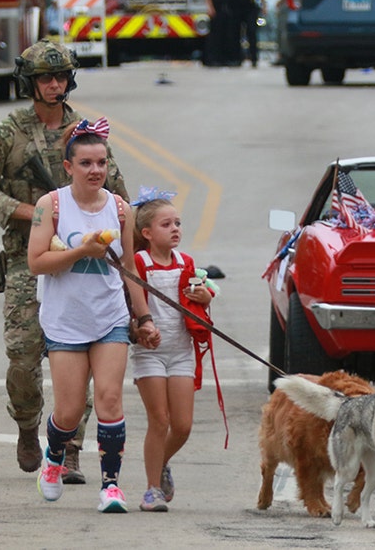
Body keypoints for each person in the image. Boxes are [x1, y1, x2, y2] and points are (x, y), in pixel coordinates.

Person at [0, 40, 128, 483]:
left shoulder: (84, 133)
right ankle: (26, 424)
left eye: (59, 76)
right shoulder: (9, 131)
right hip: (28, 258)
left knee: (87, 349)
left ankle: (72, 446)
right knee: (23, 356)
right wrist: (38, 215)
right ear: (30, 83)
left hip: (86, 263)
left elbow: (117, 192)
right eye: (44, 77)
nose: (54, 84)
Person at [27, 119, 154, 514]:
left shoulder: (119, 208)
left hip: (109, 316)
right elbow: (36, 262)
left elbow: (129, 264)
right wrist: (81, 252)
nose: (95, 170)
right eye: (85, 163)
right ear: (69, 167)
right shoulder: (52, 205)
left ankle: (111, 486)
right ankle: (53, 456)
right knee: (68, 410)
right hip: (65, 320)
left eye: (101, 162)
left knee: (110, 400)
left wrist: (144, 316)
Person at [128, 190, 217, 512]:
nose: (176, 229)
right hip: (150, 351)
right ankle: (151, 489)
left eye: (178, 223)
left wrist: (206, 297)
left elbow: (197, 298)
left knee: (182, 425)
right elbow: (130, 305)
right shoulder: (138, 261)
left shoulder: (186, 262)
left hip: (181, 350)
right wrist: (140, 330)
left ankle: (159, 462)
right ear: (147, 233)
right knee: (159, 420)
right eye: (166, 224)